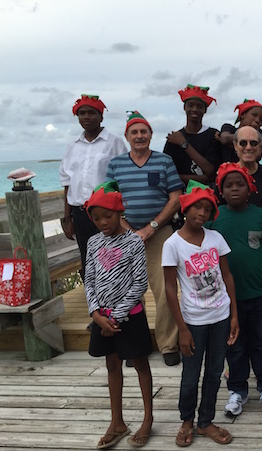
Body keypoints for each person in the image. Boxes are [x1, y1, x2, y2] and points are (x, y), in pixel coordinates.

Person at [162, 180, 239, 447]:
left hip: (220, 316)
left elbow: (227, 276)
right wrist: (182, 329)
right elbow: (170, 290)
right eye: (197, 208)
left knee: (215, 372)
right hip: (193, 321)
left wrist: (234, 315)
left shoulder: (216, 238)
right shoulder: (172, 244)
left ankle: (205, 421)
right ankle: (186, 420)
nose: (202, 214)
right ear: (185, 208)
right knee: (190, 375)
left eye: (208, 209)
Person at [106, 111, 183, 366]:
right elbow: (109, 201)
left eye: (144, 132)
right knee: (128, 291)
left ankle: (168, 344)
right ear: (127, 136)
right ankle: (135, 345)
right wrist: (129, 231)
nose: (140, 136)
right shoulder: (116, 164)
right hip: (124, 234)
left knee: (164, 288)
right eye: (134, 132)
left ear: (151, 134)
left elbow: (175, 199)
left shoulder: (164, 161)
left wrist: (150, 228)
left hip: (159, 233)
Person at [206, 162, 262, 417]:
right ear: (220, 190)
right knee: (234, 347)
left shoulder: (260, 215)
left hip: (258, 293)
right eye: (228, 185)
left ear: (250, 189)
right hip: (226, 299)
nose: (234, 189)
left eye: (240, 184)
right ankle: (237, 390)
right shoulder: (214, 218)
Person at [83, 181, 153, 448]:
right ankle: (117, 421)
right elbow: (89, 279)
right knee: (112, 365)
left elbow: (139, 284)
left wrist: (116, 316)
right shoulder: (93, 243)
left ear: (120, 213)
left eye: (108, 217)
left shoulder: (134, 242)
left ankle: (148, 418)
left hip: (128, 317)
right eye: (96, 218)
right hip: (102, 317)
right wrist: (95, 313)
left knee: (140, 364)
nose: (102, 222)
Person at [60, 94, 127, 277]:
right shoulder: (72, 146)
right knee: (87, 259)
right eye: (82, 113)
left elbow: (122, 179)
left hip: (106, 212)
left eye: (91, 113)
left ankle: (116, 301)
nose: (86, 117)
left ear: (101, 116)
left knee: (112, 258)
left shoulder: (114, 143)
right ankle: (95, 303)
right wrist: (67, 218)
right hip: (80, 213)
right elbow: (67, 183)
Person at [164, 84, 222, 185]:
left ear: (205, 110)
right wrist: (202, 178)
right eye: (191, 105)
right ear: (184, 107)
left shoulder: (213, 136)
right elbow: (167, 174)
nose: (194, 109)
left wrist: (183, 143)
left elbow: (211, 173)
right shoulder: (173, 139)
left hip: (207, 195)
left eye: (199, 106)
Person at [230, 125, 262, 222]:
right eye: (243, 143)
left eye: (253, 143)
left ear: (260, 146)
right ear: (235, 146)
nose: (248, 147)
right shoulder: (227, 176)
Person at [217, 99, 262, 164]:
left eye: (261, 119)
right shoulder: (229, 127)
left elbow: (258, 156)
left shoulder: (259, 132)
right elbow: (225, 138)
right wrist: (258, 142)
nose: (257, 120)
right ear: (242, 114)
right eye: (254, 115)